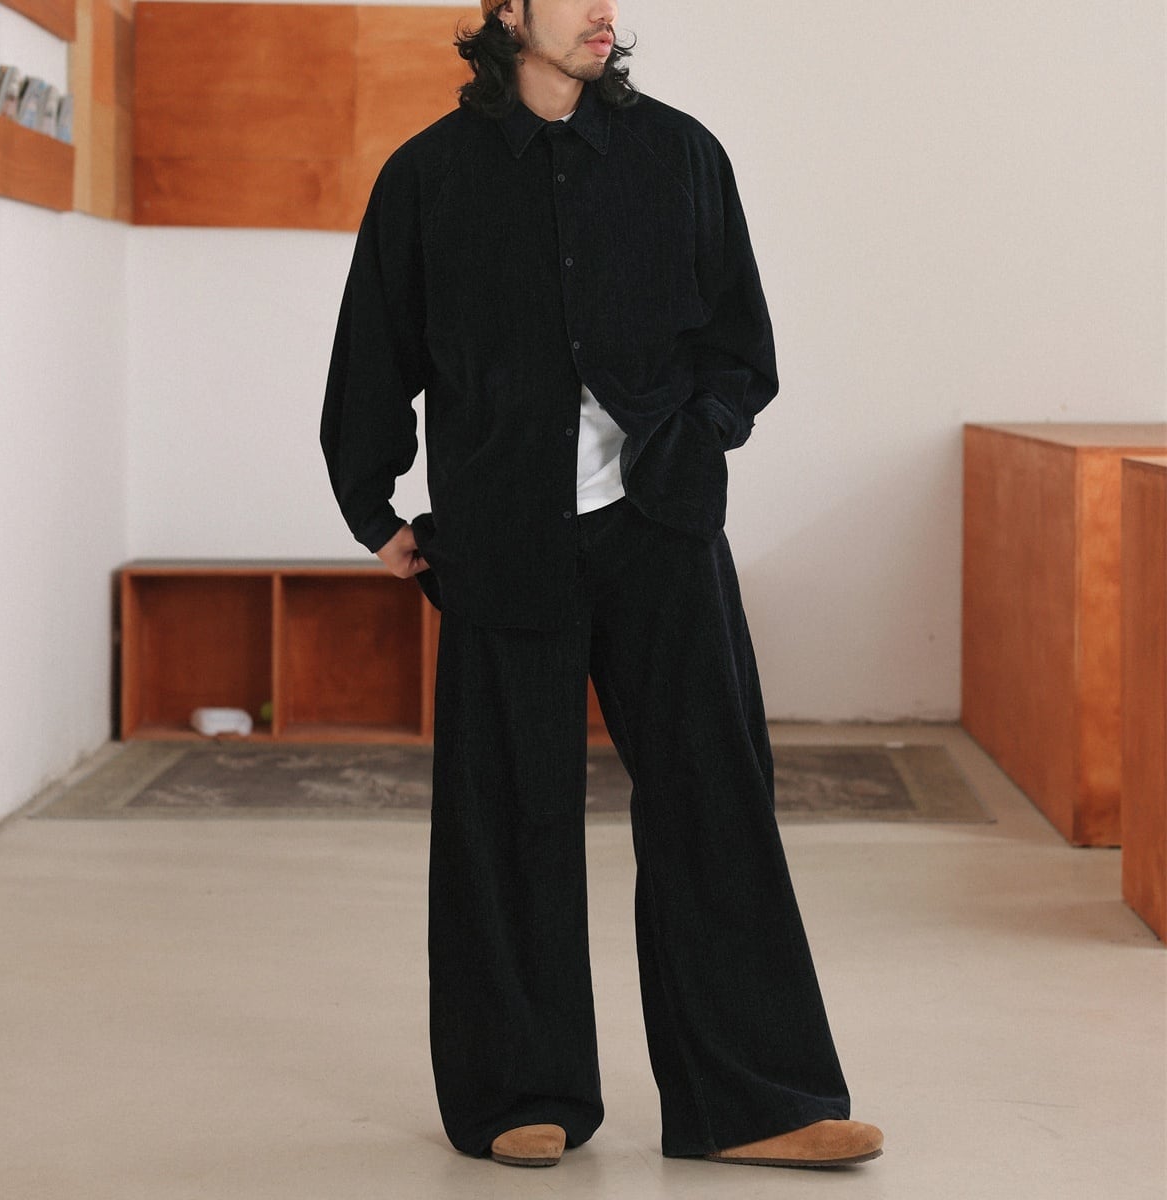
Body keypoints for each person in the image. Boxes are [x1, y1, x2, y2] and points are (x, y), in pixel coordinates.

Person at [321, 0, 883, 1172]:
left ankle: (755, 1100)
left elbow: (741, 344)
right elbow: (374, 348)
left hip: (661, 528)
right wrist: (374, 509)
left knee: (714, 800)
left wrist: (697, 437)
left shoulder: (680, 153)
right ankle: (519, 1092)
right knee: (506, 816)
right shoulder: (428, 176)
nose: (605, 13)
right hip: (501, 535)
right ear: (506, 11)